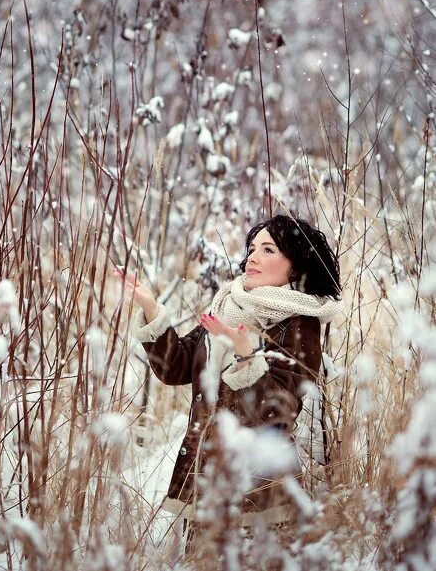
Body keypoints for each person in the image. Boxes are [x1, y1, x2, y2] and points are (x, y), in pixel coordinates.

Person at [113, 214, 342, 542]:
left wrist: (247, 356)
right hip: (205, 476)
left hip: (258, 488)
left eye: (268, 250)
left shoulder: (298, 323)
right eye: (251, 248)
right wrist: (151, 308)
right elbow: (175, 367)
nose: (252, 256)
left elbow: (283, 408)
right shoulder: (227, 307)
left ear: (295, 264)